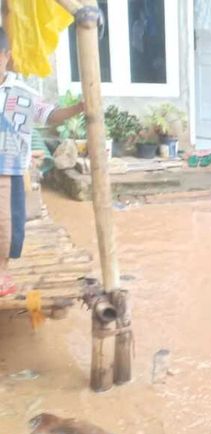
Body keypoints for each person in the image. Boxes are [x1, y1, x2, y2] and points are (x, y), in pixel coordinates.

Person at [0, 27, 84, 296]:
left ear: (6, 57)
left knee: (6, 225)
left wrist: (79, 108)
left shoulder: (21, 93)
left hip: (9, 170)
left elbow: (49, 115)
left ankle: (1, 273)